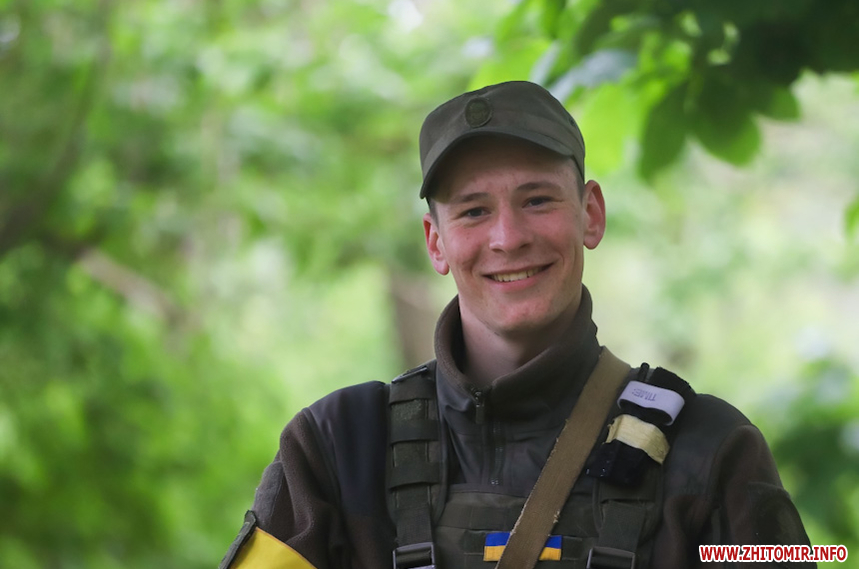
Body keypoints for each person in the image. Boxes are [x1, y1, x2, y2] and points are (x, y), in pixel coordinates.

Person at [220, 81, 813, 569]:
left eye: (537, 200)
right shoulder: (336, 449)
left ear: (591, 214)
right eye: (474, 211)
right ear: (436, 242)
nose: (508, 238)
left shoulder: (711, 451)